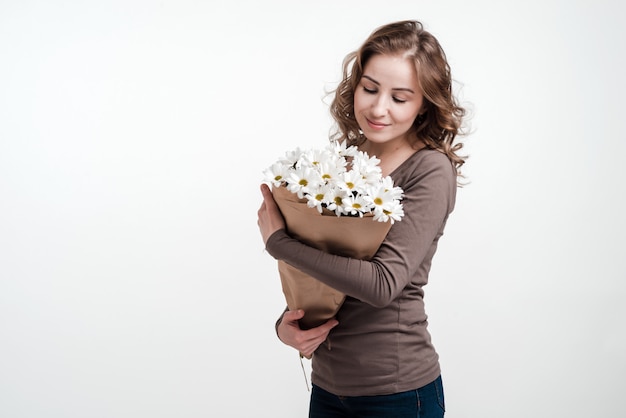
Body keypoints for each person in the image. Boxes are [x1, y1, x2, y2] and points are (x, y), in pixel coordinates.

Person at [257, 19, 466, 417]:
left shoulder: (430, 170)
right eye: (369, 88)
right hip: (328, 388)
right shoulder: (347, 161)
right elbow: (324, 268)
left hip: (397, 394)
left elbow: (383, 284)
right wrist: (289, 323)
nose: (377, 107)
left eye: (400, 97)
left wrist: (279, 244)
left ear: (425, 103)